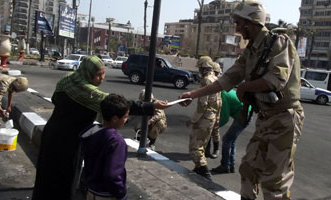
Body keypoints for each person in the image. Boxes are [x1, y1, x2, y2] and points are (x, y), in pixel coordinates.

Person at [179, 1, 304, 199]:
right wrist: (192, 95)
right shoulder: (251, 50)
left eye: (239, 23)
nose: (236, 28)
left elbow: (276, 80)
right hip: (265, 117)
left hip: (284, 117)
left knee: (274, 180)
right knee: (248, 169)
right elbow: (226, 79)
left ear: (251, 22)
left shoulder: (278, 42)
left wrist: (245, 87)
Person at [32, 56, 169, 200]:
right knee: (64, 180)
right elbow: (118, 105)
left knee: (46, 176)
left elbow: (55, 99)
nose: (102, 78)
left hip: (52, 132)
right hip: (68, 142)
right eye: (98, 74)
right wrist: (153, 106)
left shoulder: (67, 80)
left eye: (103, 73)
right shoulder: (89, 92)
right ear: (88, 73)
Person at [80, 94, 130, 200]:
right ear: (115, 118)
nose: (127, 119)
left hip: (91, 190)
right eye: (125, 117)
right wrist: (122, 194)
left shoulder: (91, 133)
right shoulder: (116, 141)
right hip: (107, 194)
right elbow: (113, 175)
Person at [186, 56, 221, 180]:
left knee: (195, 147)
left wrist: (193, 120)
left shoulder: (206, 81)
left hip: (204, 118)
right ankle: (198, 169)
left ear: (203, 67)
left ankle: (204, 172)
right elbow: (219, 103)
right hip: (212, 118)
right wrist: (217, 120)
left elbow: (202, 104)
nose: (199, 70)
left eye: (200, 67)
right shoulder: (216, 79)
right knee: (202, 146)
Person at [211, 89, 250, 174]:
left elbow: (225, 117)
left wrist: (214, 127)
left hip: (243, 115)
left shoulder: (223, 95)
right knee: (231, 140)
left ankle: (225, 166)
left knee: (226, 139)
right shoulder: (226, 91)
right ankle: (230, 165)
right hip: (245, 113)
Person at [205, 62, 222, 159]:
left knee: (215, 130)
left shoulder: (218, 84)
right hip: (210, 109)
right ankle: (207, 149)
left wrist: (218, 117)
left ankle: (216, 149)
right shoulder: (209, 82)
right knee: (207, 131)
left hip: (217, 109)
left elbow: (220, 102)